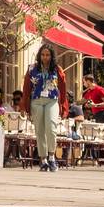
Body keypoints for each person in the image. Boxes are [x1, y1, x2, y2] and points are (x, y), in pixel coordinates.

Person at [20, 44, 69, 172]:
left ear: (52, 56)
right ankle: (43, 160)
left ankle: (52, 157)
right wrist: (24, 106)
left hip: (52, 101)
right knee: (40, 131)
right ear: (39, 56)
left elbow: (63, 88)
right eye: (43, 55)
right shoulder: (32, 69)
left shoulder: (57, 69)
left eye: (47, 55)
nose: (45, 57)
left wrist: (64, 106)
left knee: (51, 129)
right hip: (36, 101)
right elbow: (26, 88)